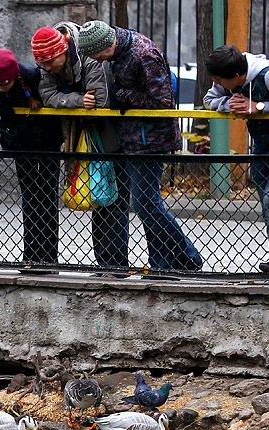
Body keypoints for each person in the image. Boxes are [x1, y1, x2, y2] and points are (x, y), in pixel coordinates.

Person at [77, 20, 203, 273]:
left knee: (146, 206)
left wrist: (121, 95)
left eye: (97, 55)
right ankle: (162, 265)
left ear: (106, 45)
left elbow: (162, 100)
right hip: (134, 138)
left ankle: (188, 255)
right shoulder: (122, 52)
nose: (97, 61)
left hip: (150, 140)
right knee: (149, 204)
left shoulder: (143, 54)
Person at [31, 23, 129, 275]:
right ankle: (106, 262)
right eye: (43, 64)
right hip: (79, 137)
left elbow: (99, 99)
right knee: (98, 196)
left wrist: (71, 100)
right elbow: (48, 97)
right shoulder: (49, 63)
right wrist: (76, 100)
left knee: (110, 197)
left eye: (52, 62)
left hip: (109, 137)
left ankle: (114, 263)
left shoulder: (90, 57)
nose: (48, 68)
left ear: (63, 49)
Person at [203, 45, 269, 274]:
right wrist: (227, 104)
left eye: (221, 81)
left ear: (236, 76)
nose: (218, 84)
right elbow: (209, 99)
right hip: (262, 147)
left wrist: (259, 107)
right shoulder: (225, 79)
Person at [0, 48, 64, 272]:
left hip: (46, 142)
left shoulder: (34, 76)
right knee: (29, 199)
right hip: (18, 144)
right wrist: (0, 104)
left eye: (5, 84)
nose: (1, 88)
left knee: (47, 198)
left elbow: (52, 99)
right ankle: (31, 255)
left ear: (14, 76)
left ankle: (48, 259)